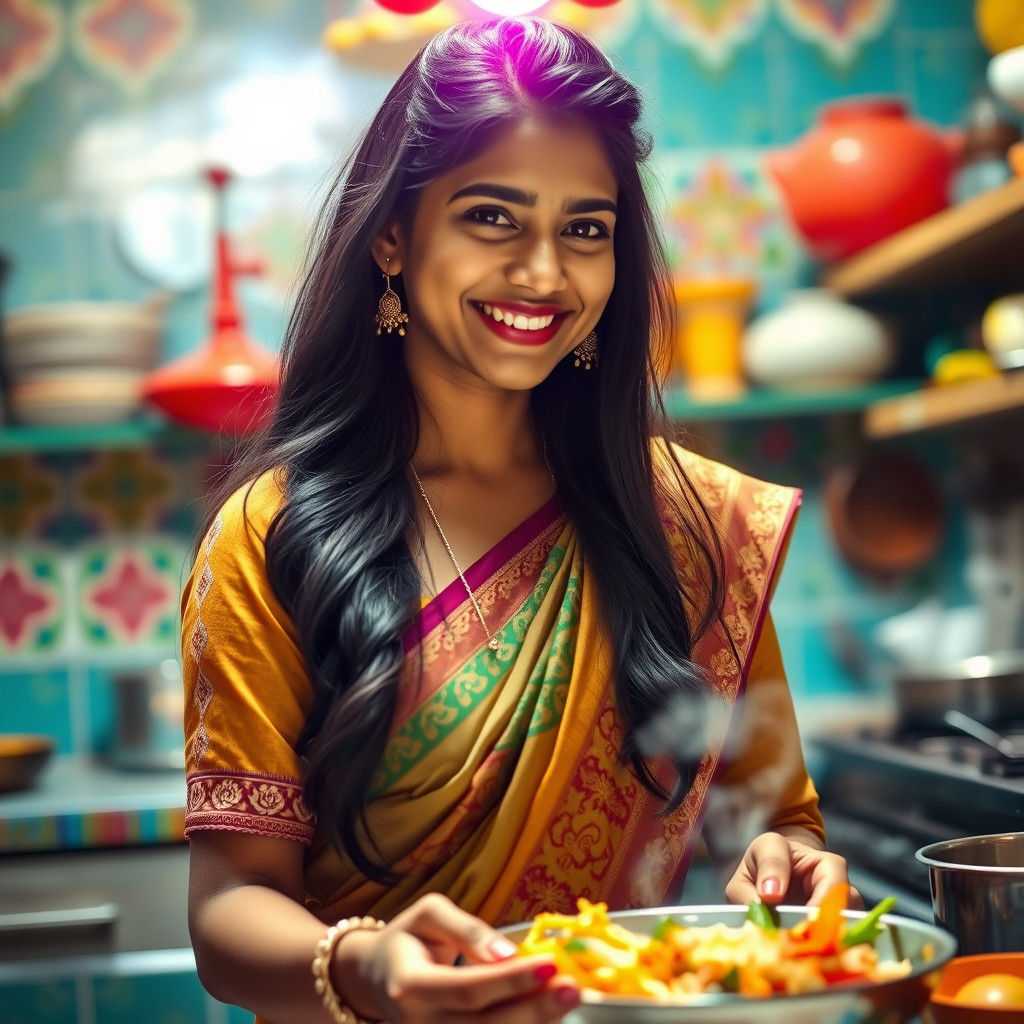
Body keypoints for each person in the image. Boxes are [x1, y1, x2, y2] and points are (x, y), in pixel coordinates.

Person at [181, 16, 852, 1024]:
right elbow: (231, 907)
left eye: (585, 228)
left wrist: (785, 864)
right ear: (395, 234)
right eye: (493, 218)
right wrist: (363, 965)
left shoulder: (691, 520)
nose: (544, 273)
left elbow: (769, 825)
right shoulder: (277, 536)